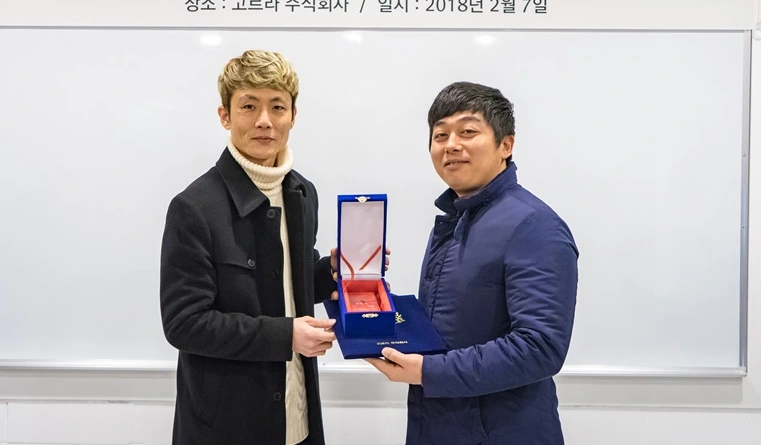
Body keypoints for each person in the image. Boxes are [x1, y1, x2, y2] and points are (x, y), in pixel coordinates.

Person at [366, 81, 580, 445]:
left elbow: (539, 348)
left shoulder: (533, 225)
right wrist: (368, 310)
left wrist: (428, 371)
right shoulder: (454, 219)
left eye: (467, 132)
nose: (451, 145)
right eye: (440, 135)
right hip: (436, 424)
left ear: (506, 145)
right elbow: (450, 328)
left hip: (503, 433)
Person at [160, 50, 338, 445]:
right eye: (249, 106)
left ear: (293, 115)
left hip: (297, 414)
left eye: (277, 106)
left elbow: (290, 281)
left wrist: (333, 271)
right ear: (225, 115)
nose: (264, 120)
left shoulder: (302, 192)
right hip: (227, 425)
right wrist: (285, 336)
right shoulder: (194, 207)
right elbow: (184, 324)